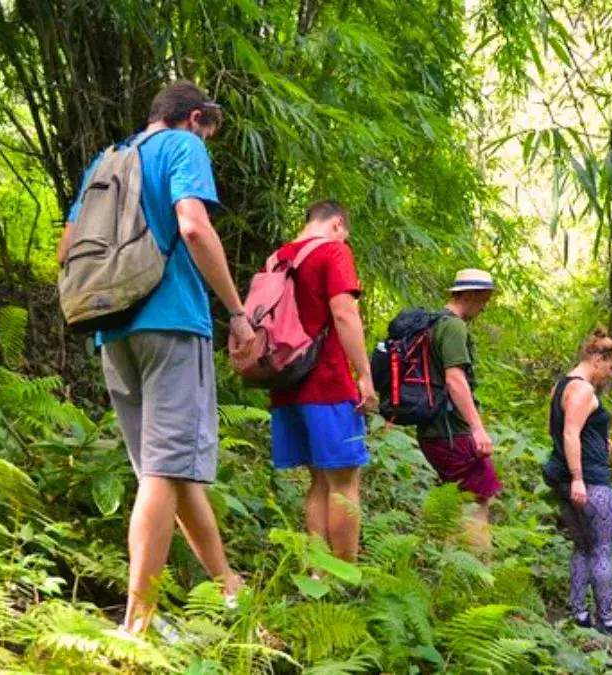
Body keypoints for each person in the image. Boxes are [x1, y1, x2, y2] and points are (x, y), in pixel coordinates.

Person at [58, 81, 253, 635]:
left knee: (166, 472)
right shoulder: (181, 146)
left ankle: (229, 590)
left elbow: (67, 250)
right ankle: (135, 626)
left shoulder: (107, 158)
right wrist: (237, 313)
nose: (206, 144)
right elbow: (192, 224)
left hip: (110, 326)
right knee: (166, 468)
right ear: (195, 118)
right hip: (170, 320)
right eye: (209, 134)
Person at [269, 201, 376, 563]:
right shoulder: (333, 250)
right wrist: (364, 374)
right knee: (345, 483)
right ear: (338, 224)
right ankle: (342, 573)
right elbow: (344, 314)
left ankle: (318, 571)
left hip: (286, 383)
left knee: (318, 480)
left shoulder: (278, 258)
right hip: (327, 382)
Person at [543, 329, 612, 635]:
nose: (610, 374)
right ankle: (607, 620)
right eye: (610, 367)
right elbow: (569, 433)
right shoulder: (583, 390)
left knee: (583, 546)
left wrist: (602, 441)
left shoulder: (561, 386)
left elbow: (561, 426)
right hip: (589, 481)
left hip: (563, 475)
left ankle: (579, 612)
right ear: (596, 358)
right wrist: (578, 478)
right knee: (602, 548)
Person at [416, 269, 501, 551]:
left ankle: (451, 564)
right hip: (451, 431)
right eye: (483, 298)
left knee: (456, 499)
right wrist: (477, 428)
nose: (485, 306)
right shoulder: (453, 326)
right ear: (469, 294)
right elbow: (455, 379)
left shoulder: (432, 323)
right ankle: (475, 575)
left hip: (435, 429)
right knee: (478, 497)